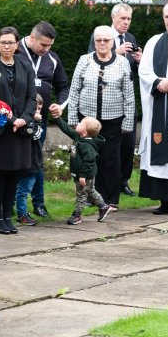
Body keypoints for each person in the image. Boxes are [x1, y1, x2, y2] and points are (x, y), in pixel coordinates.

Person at [0, 26, 37, 235]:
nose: (6, 46)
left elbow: (32, 96)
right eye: (3, 42)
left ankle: (7, 216)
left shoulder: (25, 67)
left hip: (19, 130)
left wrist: (24, 119)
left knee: (14, 173)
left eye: (10, 42)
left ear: (17, 44)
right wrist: (11, 118)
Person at [68, 25, 135, 209]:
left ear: (113, 42)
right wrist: (73, 119)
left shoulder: (123, 62)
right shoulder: (84, 60)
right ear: (94, 42)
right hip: (87, 119)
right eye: (99, 40)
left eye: (107, 40)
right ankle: (90, 197)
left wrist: (128, 121)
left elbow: (129, 95)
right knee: (89, 159)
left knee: (111, 159)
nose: (103, 43)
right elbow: (74, 91)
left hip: (113, 118)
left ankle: (111, 199)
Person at [15, 21, 69, 217]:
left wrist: (60, 105)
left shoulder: (52, 59)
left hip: (40, 121)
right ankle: (13, 204)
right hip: (17, 120)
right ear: (32, 37)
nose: (46, 49)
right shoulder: (15, 51)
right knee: (15, 161)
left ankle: (39, 204)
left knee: (37, 161)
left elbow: (64, 86)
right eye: (43, 45)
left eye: (50, 46)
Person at [138, 0, 168, 216]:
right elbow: (144, 71)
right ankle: (164, 201)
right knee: (159, 145)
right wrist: (159, 83)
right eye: (166, 16)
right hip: (158, 102)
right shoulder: (153, 42)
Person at [88, 3, 142, 196]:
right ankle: (100, 185)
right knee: (107, 145)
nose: (126, 22)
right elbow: (90, 62)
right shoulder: (101, 36)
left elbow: (134, 73)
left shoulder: (131, 38)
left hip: (126, 97)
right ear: (113, 18)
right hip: (106, 101)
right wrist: (115, 53)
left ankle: (123, 182)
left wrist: (139, 61)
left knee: (128, 143)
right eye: (123, 19)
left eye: (129, 19)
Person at [52, 115, 115, 225]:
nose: (78, 124)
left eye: (81, 124)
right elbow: (66, 129)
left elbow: (89, 161)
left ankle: (77, 215)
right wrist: (57, 118)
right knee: (90, 190)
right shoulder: (78, 136)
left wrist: (83, 176)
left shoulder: (87, 146)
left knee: (81, 195)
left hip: (85, 175)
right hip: (82, 174)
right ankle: (104, 207)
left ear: (84, 133)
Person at [15, 94, 44, 226]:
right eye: (35, 109)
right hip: (29, 163)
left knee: (22, 188)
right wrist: (36, 121)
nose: (38, 112)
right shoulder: (29, 123)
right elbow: (35, 135)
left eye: (40, 109)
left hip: (33, 161)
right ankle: (22, 214)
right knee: (23, 190)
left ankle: (20, 212)